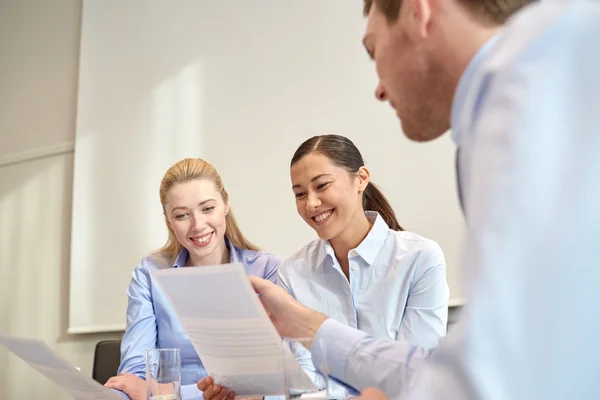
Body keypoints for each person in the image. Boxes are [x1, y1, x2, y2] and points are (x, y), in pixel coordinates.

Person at [214, 1, 600, 400]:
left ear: (420, 12)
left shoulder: (530, 103)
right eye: (299, 193)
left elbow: (500, 375)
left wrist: (312, 333)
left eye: (372, 50)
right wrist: (305, 328)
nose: (379, 88)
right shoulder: (506, 105)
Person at [281, 134, 448, 397]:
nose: (311, 203)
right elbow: (302, 384)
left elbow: (414, 376)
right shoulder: (291, 274)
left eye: (322, 185)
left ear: (360, 179)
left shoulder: (420, 258)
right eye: (300, 194)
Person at [104, 158, 281, 400]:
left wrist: (168, 392)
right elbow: (134, 376)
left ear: (225, 205)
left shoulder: (267, 269)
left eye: (208, 209)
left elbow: (273, 383)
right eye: (182, 215)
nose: (198, 225)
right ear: (169, 222)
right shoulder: (149, 273)